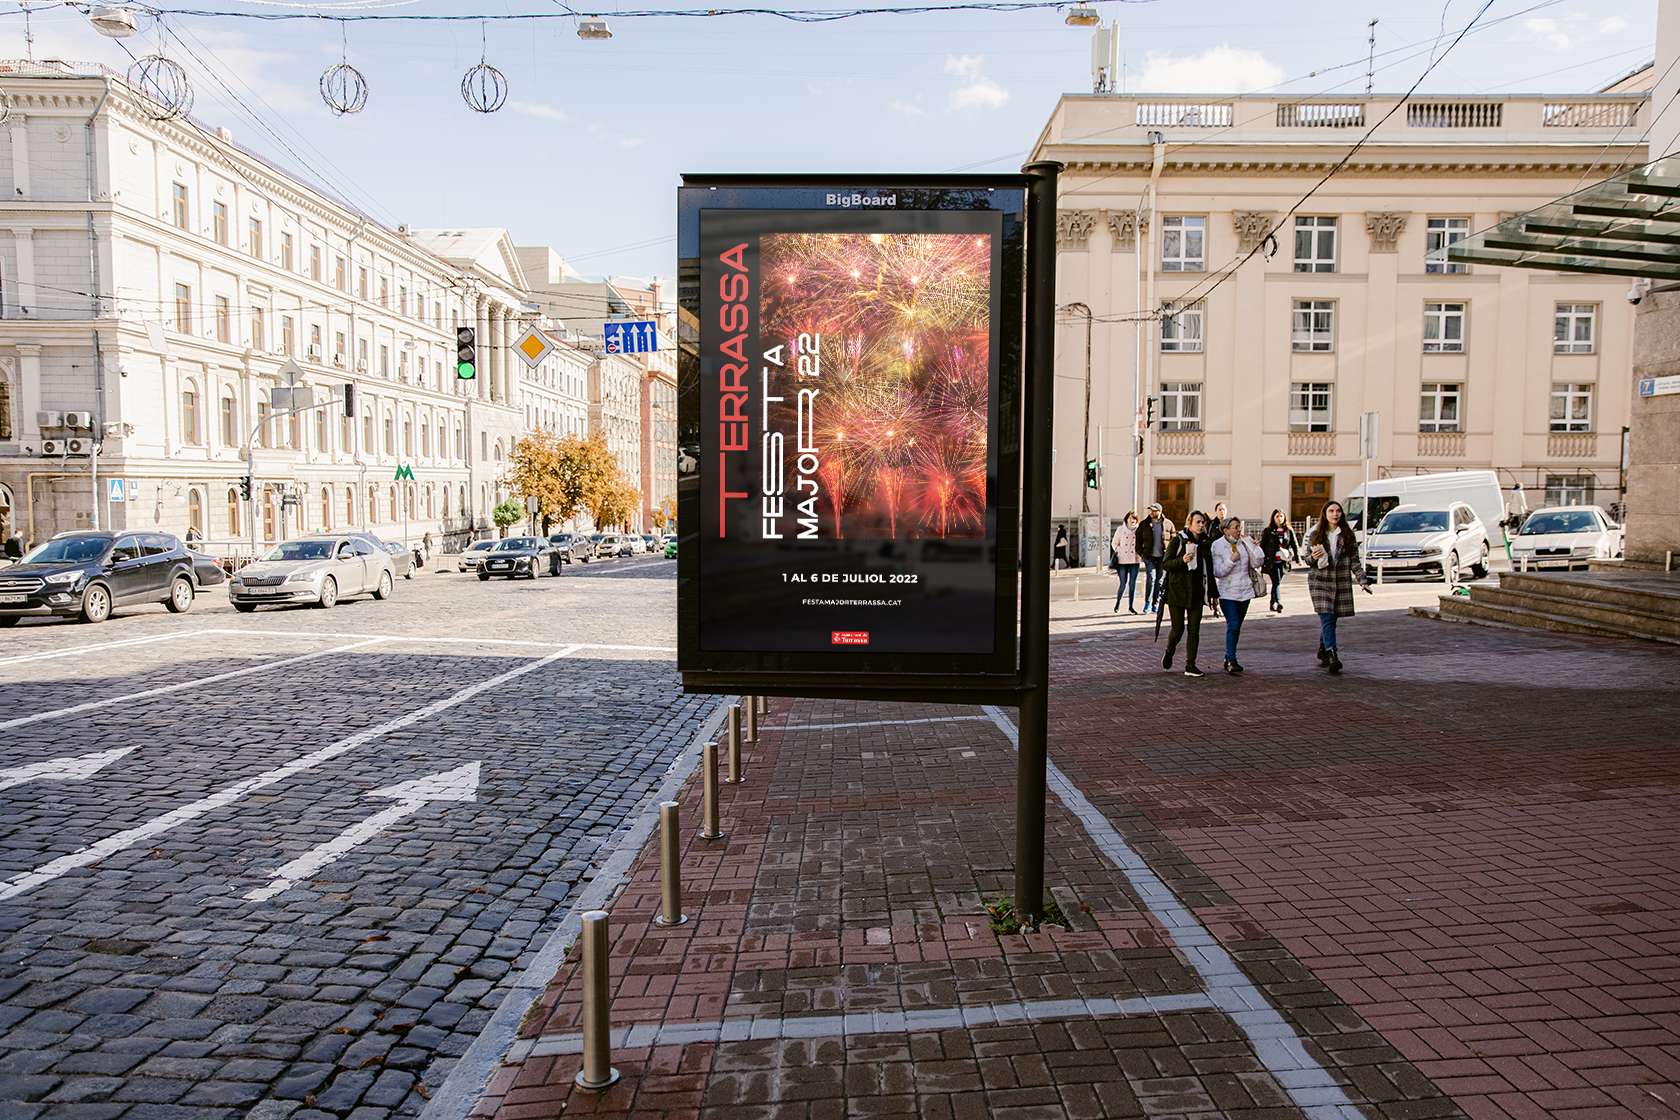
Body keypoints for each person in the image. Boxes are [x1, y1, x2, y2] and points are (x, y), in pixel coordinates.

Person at [1306, 500, 1373, 675]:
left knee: (1331, 620)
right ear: (1325, 514)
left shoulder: (1347, 535)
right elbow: (1307, 559)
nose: (1335, 514)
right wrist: (1313, 557)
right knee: (1327, 618)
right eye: (1331, 511)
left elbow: (1354, 561)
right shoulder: (1315, 534)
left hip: (1340, 583)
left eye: (1338, 511)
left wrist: (1363, 581)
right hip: (1319, 582)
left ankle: (1323, 647)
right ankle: (1332, 654)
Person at [1161, 510, 1214, 678]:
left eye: (1203, 522)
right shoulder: (1178, 540)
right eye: (1198, 522)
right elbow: (1166, 564)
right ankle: (1170, 650)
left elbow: (1209, 570)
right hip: (1177, 591)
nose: (1201, 525)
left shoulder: (1205, 543)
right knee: (1178, 630)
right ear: (1189, 523)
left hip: (1197, 592)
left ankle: (1190, 665)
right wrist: (1182, 561)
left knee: (1194, 630)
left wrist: (1213, 594)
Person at [1212, 516, 1264, 674]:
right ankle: (1232, 660)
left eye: (1239, 527)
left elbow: (1257, 563)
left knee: (1237, 628)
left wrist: (1255, 548)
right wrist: (1231, 560)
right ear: (1226, 531)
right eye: (1235, 527)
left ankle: (1228, 656)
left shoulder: (1244, 543)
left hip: (1245, 592)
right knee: (1233, 625)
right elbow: (1218, 572)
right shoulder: (1217, 545)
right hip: (1227, 593)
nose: (1239, 530)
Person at [1136, 504, 1174, 610]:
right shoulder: (1144, 524)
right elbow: (1138, 539)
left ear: (1160, 512)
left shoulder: (1168, 524)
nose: (1152, 513)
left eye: (1154, 511)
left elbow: (1173, 538)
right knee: (1151, 578)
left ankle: (1156, 603)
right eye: (1151, 510)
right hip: (1149, 556)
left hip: (1163, 557)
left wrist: (1170, 553)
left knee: (1159, 580)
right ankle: (1147, 603)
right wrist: (1141, 552)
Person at [1259, 509, 1297, 614]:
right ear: (1273, 518)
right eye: (1277, 516)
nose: (1279, 518)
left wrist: (1297, 558)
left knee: (1277, 582)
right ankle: (1278, 602)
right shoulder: (1268, 531)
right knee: (1276, 581)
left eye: (1281, 516)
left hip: (1283, 561)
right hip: (1271, 562)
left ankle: (1272, 602)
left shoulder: (1288, 530)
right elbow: (1263, 546)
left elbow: (1294, 544)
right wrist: (1260, 560)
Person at [1112, 512, 1140, 614]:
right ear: (1126, 519)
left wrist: (1140, 552)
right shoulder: (1121, 529)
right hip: (1122, 560)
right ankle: (1118, 603)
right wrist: (1120, 550)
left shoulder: (1139, 530)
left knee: (1133, 584)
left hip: (1135, 560)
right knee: (1123, 583)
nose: (1132, 520)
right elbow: (1114, 542)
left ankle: (1131, 607)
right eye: (1130, 518)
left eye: (1134, 518)